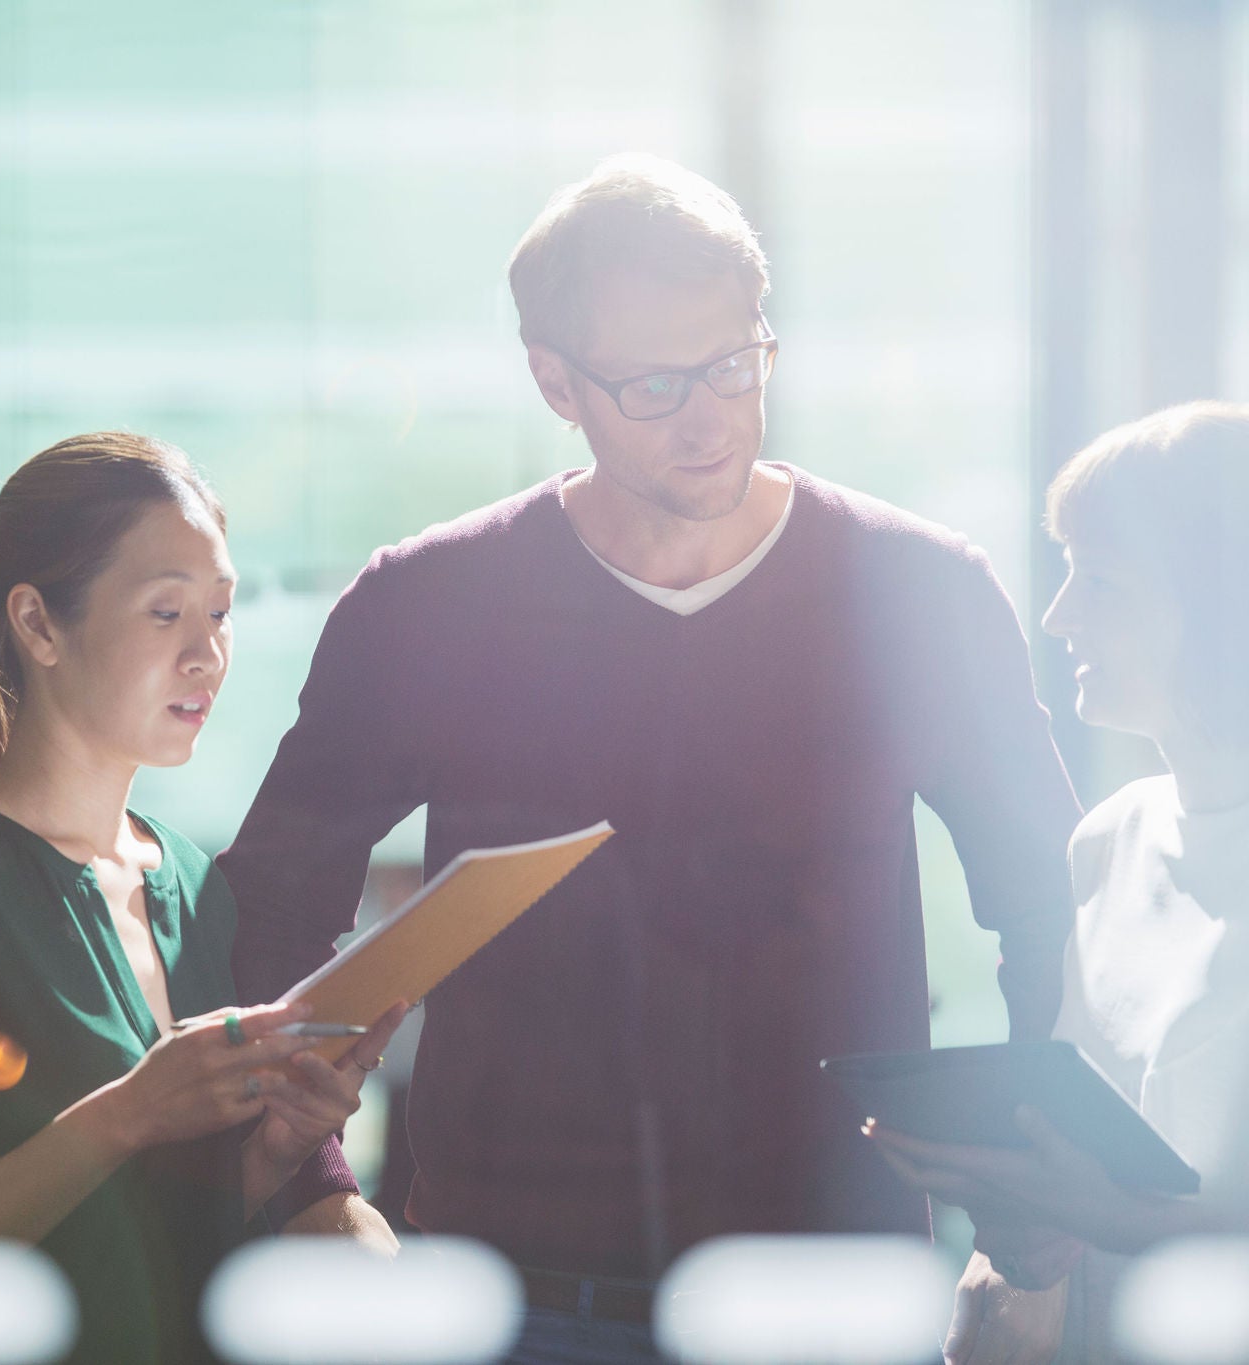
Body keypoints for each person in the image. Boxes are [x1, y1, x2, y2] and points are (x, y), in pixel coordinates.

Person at [216, 155, 1081, 1362]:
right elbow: (262, 910)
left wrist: (1027, 1231)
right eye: (655, 385)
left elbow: (1055, 913)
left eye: (734, 362)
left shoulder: (916, 592)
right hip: (504, 1301)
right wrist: (308, 1186)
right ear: (553, 383)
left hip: (831, 1299)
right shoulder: (429, 603)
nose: (710, 413)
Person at [0, 433, 406, 1365]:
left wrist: (276, 1153)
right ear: (39, 625)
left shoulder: (197, 887)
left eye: (220, 611)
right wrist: (127, 1111)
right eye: (166, 611)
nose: (208, 653)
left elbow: (175, 1222)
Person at [869, 401, 1249, 1365]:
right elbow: (1085, 1149)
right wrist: (1019, 1231)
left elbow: (1123, 1204)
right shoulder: (1110, 837)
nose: (1058, 612)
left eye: (1103, 581)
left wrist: (1103, 1217)